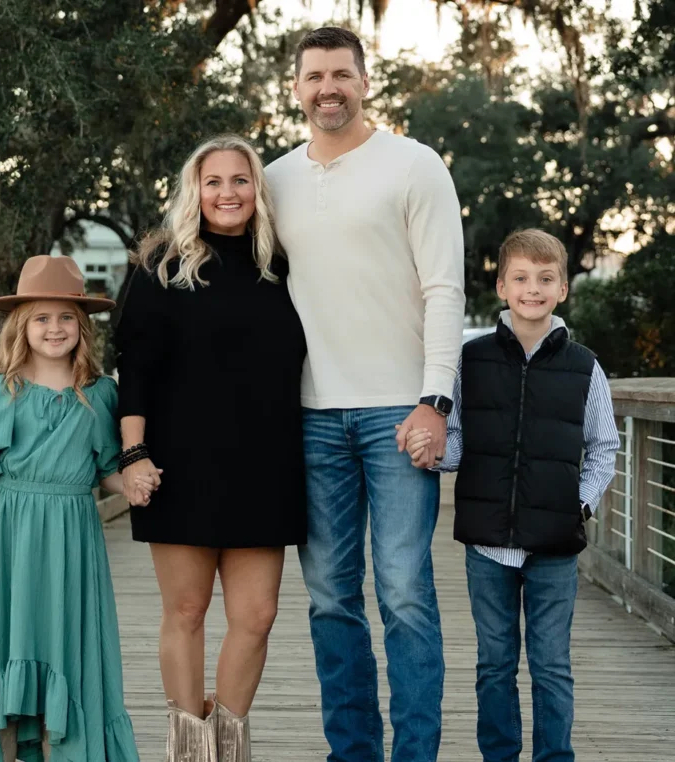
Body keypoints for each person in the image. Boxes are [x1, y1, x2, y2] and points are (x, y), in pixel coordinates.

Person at [264, 26, 466, 762]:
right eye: (315, 76)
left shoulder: (414, 164)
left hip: (400, 412)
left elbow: (445, 289)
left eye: (341, 74)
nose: (329, 89)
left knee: (405, 594)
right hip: (310, 415)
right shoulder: (273, 180)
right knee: (329, 597)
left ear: (364, 81)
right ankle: (351, 753)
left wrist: (435, 401)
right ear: (295, 88)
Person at [114, 134, 307, 761]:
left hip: (266, 464)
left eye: (240, 180)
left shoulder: (284, 264)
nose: (228, 193)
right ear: (194, 191)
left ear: (258, 190)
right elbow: (135, 368)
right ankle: (189, 752)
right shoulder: (161, 266)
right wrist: (133, 455)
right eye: (214, 181)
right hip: (181, 463)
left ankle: (227, 746)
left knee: (257, 615)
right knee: (187, 609)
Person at [407, 229, 621, 762]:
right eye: (521, 278)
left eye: (545, 279)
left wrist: (580, 505)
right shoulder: (470, 360)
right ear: (502, 286)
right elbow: (457, 438)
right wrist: (435, 453)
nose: (533, 289)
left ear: (563, 289)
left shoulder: (585, 366)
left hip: (554, 545)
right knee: (494, 664)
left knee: (551, 666)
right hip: (488, 546)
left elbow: (604, 447)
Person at [0, 256, 139, 762]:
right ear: (21, 326)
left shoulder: (100, 393)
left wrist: (134, 484)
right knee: (1, 659)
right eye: (41, 318)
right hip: (10, 541)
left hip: (72, 544)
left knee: (65, 654)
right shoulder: (2, 390)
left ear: (82, 326)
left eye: (66, 317)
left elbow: (104, 470)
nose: (54, 328)